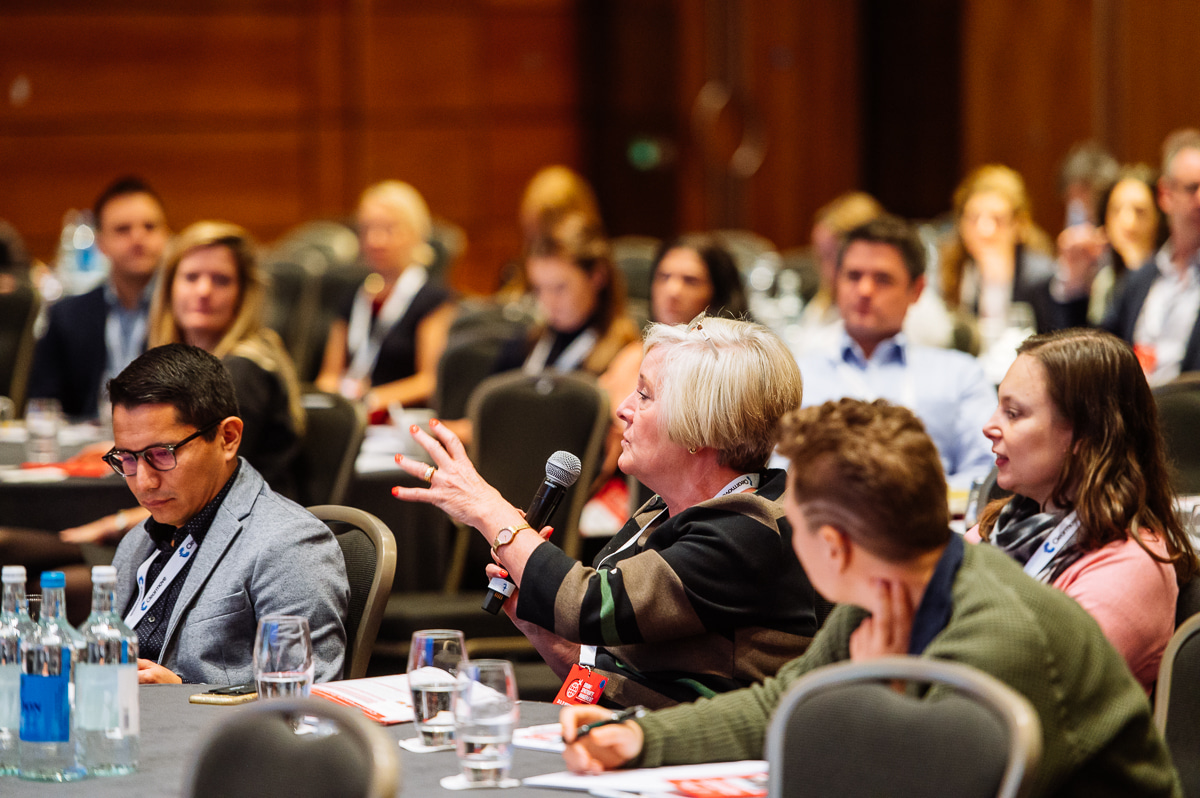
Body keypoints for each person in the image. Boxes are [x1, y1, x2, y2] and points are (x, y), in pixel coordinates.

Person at [559, 399, 1181, 797]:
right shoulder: (883, 587)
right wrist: (641, 739)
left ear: (834, 546)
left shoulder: (1004, 636)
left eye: (794, 519)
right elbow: (785, 702)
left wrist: (862, 702)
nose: (784, 529)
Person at [394, 316, 817, 709]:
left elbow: (589, 606)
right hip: (635, 738)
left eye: (645, 395)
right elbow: (611, 673)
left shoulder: (750, 529)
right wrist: (539, 624)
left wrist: (487, 508)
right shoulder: (663, 511)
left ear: (702, 426)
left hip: (714, 756)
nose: (622, 409)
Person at [106, 343, 348, 685]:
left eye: (161, 454)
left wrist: (181, 696)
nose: (144, 482)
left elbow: (308, 699)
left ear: (228, 438)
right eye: (127, 459)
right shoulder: (136, 544)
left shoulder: (288, 544)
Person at [972, 328, 1195, 691]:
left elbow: (1017, 688)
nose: (989, 427)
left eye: (1013, 413)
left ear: (1084, 435)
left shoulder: (1130, 569)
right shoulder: (1003, 526)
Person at [796, 216, 995, 490]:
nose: (865, 290)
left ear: (917, 290)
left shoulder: (960, 376)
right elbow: (780, 475)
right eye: (853, 276)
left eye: (883, 279)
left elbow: (987, 470)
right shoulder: (799, 377)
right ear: (836, 281)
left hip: (932, 511)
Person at [1054, 129, 1200, 386]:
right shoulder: (1143, 278)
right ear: (1166, 195)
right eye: (1191, 188)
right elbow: (1090, 359)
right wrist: (1074, 285)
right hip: (1136, 407)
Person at [28, 176, 169, 419]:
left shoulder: (185, 310)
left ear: (166, 234)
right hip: (86, 438)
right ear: (101, 242)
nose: (138, 238)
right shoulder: (67, 315)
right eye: (123, 229)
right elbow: (42, 403)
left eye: (149, 227)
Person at [315, 180, 455, 415]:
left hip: (398, 419)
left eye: (389, 229)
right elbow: (329, 375)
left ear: (416, 233)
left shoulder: (433, 299)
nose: (375, 240)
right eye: (366, 230)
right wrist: (331, 400)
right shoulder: (353, 296)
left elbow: (429, 381)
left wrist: (370, 401)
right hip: (353, 414)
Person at [493, 212, 639, 378]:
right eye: (539, 289)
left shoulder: (625, 358)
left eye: (559, 288)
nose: (548, 302)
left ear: (597, 276)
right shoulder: (524, 346)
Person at [939, 164, 1056, 339]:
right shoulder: (951, 269)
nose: (985, 230)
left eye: (998, 219)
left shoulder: (1041, 278)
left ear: (1019, 225)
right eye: (974, 218)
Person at [1049, 165, 1167, 328]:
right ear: (1105, 222)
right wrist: (1075, 283)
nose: (1128, 222)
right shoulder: (1105, 281)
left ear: (1158, 219)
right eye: (1116, 210)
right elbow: (1082, 341)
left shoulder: (1169, 278)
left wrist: (1137, 267)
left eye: (1140, 211)